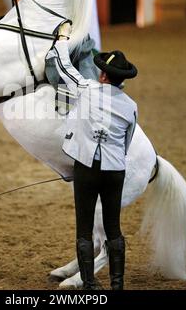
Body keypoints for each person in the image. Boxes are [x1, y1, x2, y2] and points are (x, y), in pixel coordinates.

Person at [46, 23, 138, 290]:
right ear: (122, 79)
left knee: (84, 228)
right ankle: (117, 284)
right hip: (114, 170)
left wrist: (62, 38)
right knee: (113, 228)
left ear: (103, 76)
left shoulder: (86, 89)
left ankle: (89, 283)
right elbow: (127, 141)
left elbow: (63, 67)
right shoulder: (131, 106)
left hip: (86, 168)